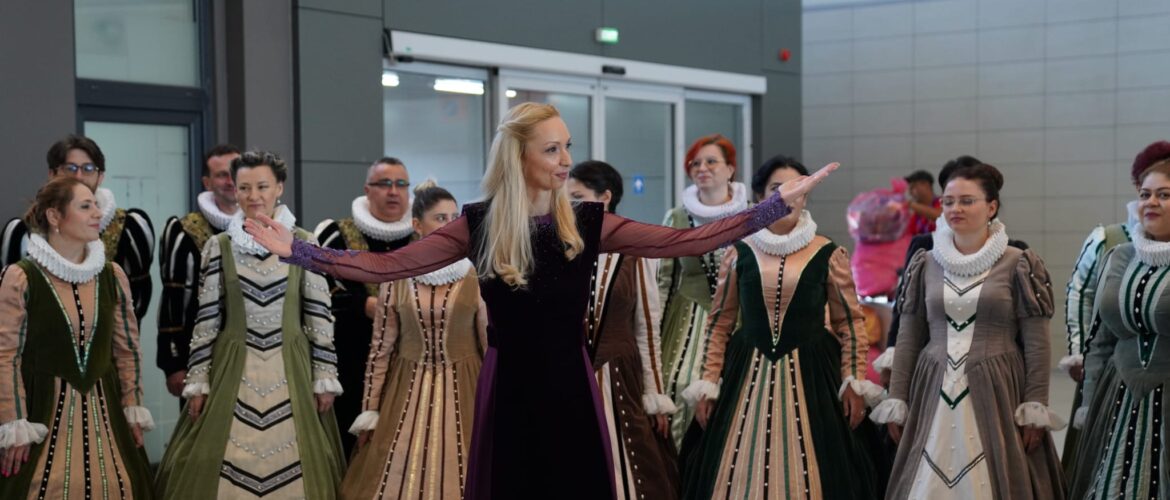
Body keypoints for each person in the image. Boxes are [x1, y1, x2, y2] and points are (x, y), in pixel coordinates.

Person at [244, 103, 836, 499]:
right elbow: (388, 264)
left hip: (570, 381)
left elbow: (688, 238)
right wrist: (299, 252)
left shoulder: (587, 220)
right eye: (552, 150)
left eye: (567, 148)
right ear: (520, 156)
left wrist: (772, 206)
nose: (565, 160)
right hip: (507, 383)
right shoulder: (477, 224)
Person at [681, 155, 881, 499]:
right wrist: (709, 382)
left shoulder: (828, 252)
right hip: (745, 369)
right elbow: (719, 323)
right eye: (778, 188)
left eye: (799, 188)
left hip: (815, 372)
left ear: (806, 196)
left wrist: (853, 380)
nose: (789, 196)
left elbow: (849, 324)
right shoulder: (739, 251)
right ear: (761, 196)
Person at [155, 151, 344, 499]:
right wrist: (198, 380)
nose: (253, 195)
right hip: (232, 364)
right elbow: (207, 319)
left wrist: (324, 375)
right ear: (235, 192)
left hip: (293, 368)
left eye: (262, 186)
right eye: (244, 187)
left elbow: (319, 315)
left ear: (279, 189)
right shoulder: (219, 245)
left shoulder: (303, 242)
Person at [870, 162, 1065, 499]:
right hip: (932, 383)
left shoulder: (1018, 262)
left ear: (991, 207)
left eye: (967, 201)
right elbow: (909, 335)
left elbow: (1037, 342)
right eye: (948, 201)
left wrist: (1035, 404)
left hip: (998, 385)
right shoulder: (926, 262)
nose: (955, 209)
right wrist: (899, 397)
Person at [0, 177, 154, 498]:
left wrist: (132, 404)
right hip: (42, 410)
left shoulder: (112, 276)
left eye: (96, 204)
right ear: (55, 217)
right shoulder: (22, 277)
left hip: (107, 411)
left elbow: (128, 351)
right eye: (85, 206)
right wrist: (14, 423)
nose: (97, 213)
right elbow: (5, 355)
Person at [340, 180, 486, 499]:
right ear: (417, 225)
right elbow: (381, 349)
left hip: (467, 387)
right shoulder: (397, 277)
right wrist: (370, 409)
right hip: (406, 389)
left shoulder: (476, 275)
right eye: (440, 218)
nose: (450, 226)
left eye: (454, 218)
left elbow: (491, 346)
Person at [567, 160, 679, 499]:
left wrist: (655, 394)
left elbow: (647, 325)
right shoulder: (561, 247)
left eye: (577, 196)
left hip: (618, 375)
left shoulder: (634, 248)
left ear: (605, 197)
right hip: (571, 372)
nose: (568, 205)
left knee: (628, 463)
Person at [1061, 140, 1170, 482]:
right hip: (1118, 396)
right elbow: (1100, 339)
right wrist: (1090, 402)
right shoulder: (1118, 253)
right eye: (1145, 193)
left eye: (1164, 194)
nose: (1150, 202)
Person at [314, 157, 416, 455]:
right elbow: (322, 290)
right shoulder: (335, 234)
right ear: (367, 190)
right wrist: (366, 305)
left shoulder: (423, 237)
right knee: (353, 445)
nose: (393, 191)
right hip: (352, 358)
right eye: (384, 184)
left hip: (408, 358)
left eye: (400, 184)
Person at [658, 134, 750, 446]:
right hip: (688, 314)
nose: (702, 168)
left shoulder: (751, 215)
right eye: (695, 163)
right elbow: (665, 279)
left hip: (740, 317)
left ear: (730, 169)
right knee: (677, 382)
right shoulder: (678, 217)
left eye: (711, 161)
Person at [1, 135, 155, 321]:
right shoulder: (22, 233)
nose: (78, 176)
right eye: (70, 168)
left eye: (88, 169)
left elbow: (138, 298)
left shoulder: (129, 228)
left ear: (101, 177)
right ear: (52, 174)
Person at [157, 144, 241, 398]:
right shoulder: (183, 230)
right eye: (222, 174)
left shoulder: (270, 228)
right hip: (201, 358)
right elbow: (173, 298)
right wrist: (174, 364)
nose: (231, 181)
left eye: (237, 172)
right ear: (207, 182)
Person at [904, 169, 942, 236]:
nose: (910, 192)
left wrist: (909, 204)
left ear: (926, 185)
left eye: (913, 187)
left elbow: (940, 216)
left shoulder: (943, 202)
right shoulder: (916, 215)